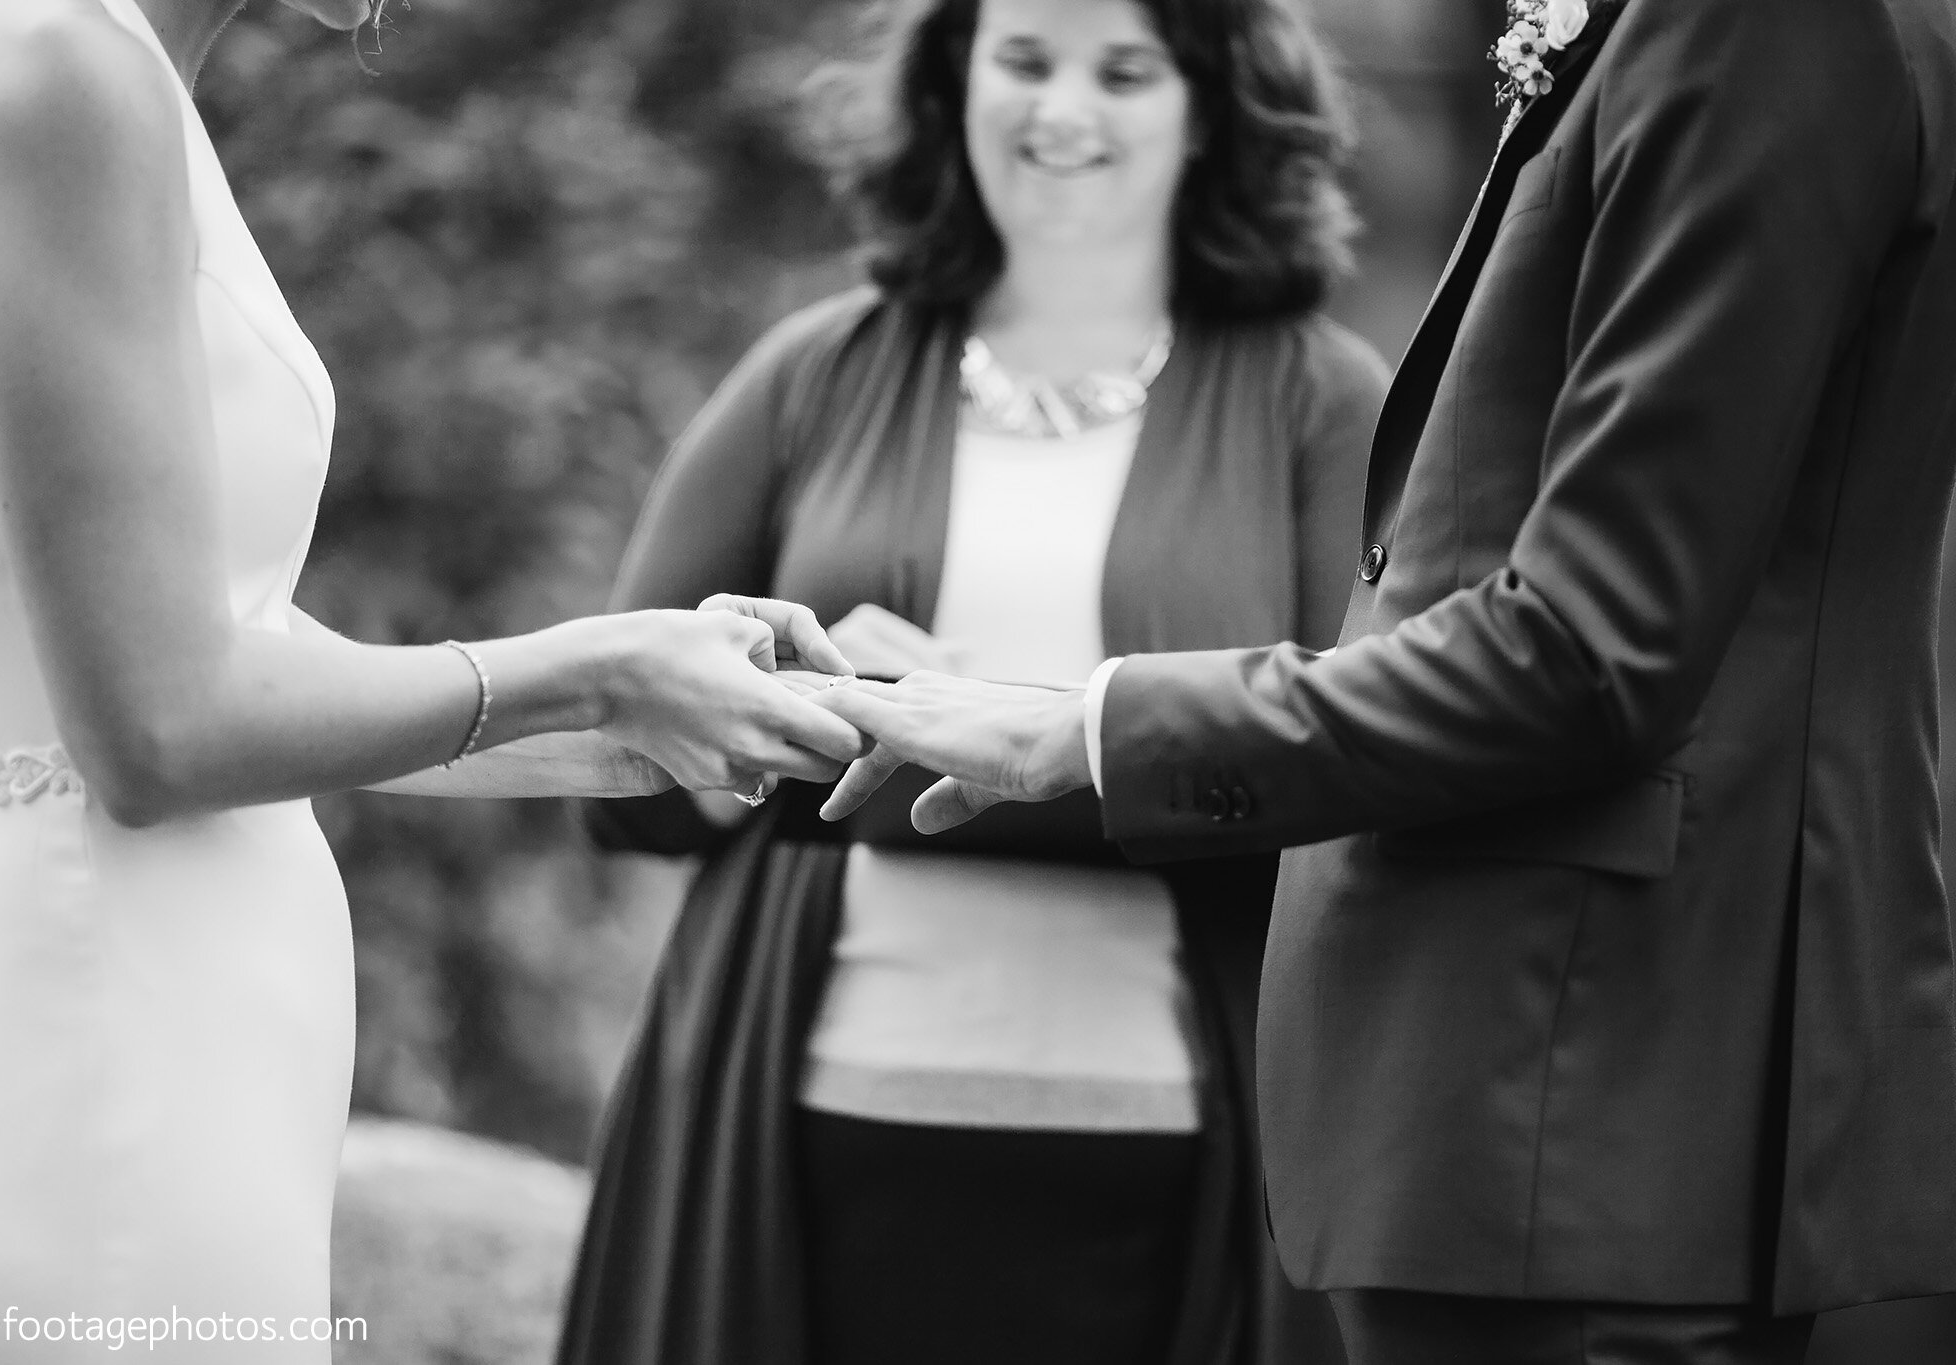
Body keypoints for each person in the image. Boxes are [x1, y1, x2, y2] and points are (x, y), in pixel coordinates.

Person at [812, 0, 1956, 1362]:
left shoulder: (1762, 26)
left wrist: (1100, 725)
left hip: (1579, 1100)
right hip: (1517, 1126)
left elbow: (1593, 649)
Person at [0, 0, 864, 1358]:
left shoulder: (84, 74)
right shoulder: (57, 76)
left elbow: (74, 661)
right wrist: (590, 667)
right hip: (110, 1054)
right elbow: (155, 728)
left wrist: (633, 713)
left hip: (139, 1015)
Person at [554, 0, 1384, 1362]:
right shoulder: (811, 374)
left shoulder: (1321, 401)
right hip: (815, 1118)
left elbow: (1355, 782)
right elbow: (620, 770)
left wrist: (978, 738)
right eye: (1023, 59)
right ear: (953, 82)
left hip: (1172, 1142)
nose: (1064, 111)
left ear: (1215, 109)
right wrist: (807, 704)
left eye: (1123, 72)